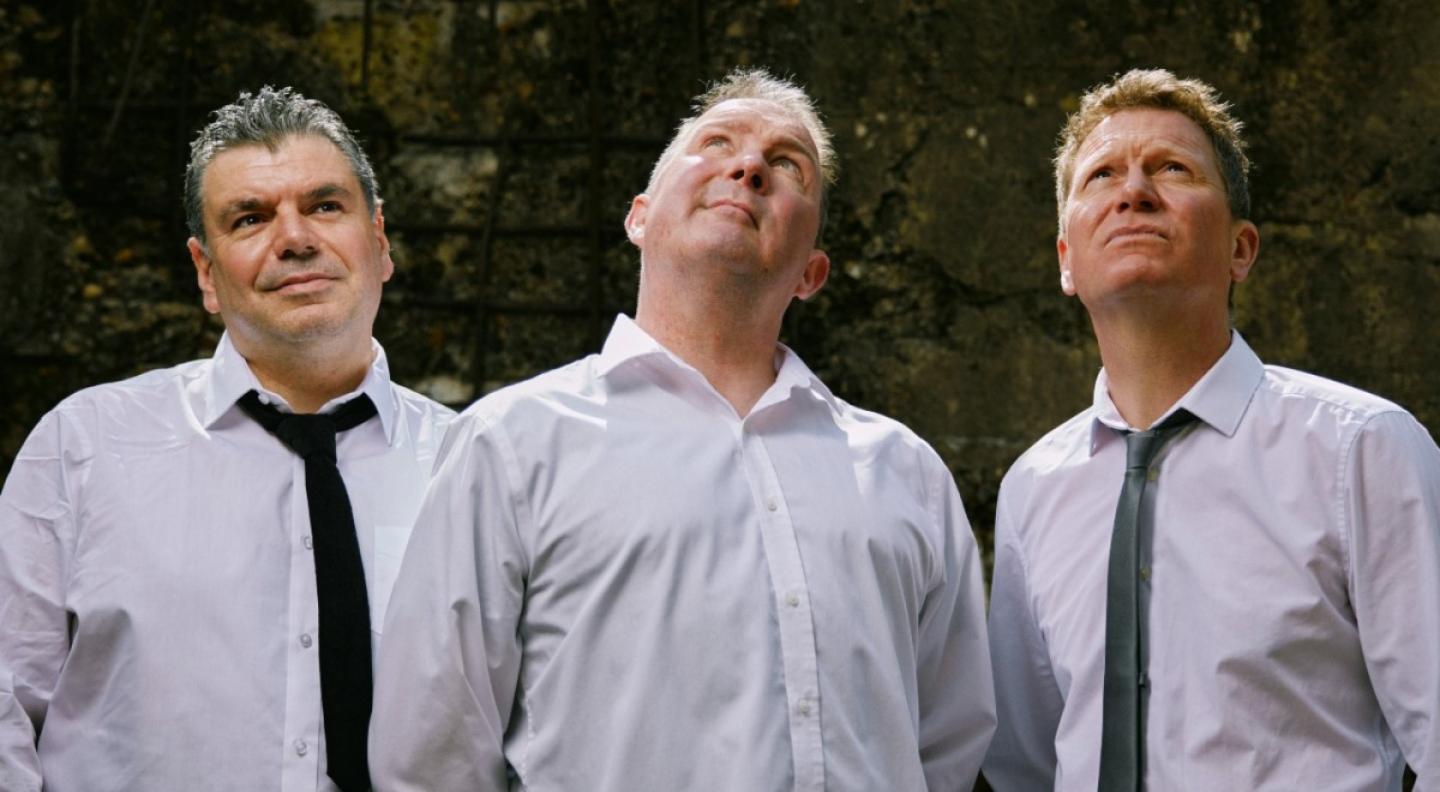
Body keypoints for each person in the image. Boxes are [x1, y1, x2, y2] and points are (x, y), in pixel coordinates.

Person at [369, 68, 996, 791]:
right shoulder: (511, 444)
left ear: (812, 273)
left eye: (788, 165)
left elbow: (946, 745)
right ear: (639, 216)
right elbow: (431, 753)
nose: (750, 166)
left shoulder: (906, 472)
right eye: (716, 143)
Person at [983, 68, 1440, 790]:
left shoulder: (1361, 450)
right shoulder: (1032, 490)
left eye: (1172, 168)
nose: (1134, 191)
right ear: (1066, 260)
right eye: (1102, 174)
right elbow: (1030, 761)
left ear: (1241, 248)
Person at [0, 86, 453, 792]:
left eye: (325, 206)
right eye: (250, 218)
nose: (296, 238)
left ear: (381, 242)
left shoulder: (472, 465)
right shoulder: (82, 449)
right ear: (206, 273)